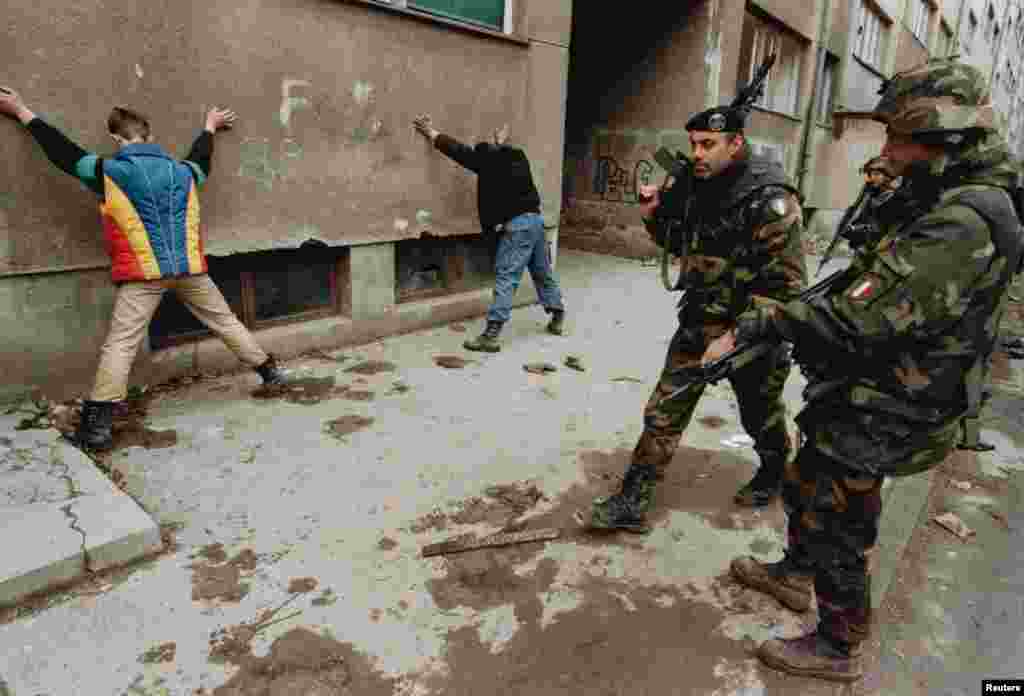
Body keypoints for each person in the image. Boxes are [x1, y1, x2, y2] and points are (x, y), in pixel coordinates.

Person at [709, 58, 1023, 682]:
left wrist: (761, 324)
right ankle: (797, 574)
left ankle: (837, 643)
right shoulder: (947, 194)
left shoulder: (964, 219)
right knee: (809, 481)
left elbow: (863, 318)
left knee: (838, 516)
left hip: (893, 398)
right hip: (878, 382)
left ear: (943, 138)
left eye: (897, 138)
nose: (888, 149)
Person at [0, 88, 290, 451]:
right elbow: (201, 159)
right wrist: (209, 128)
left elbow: (63, 153)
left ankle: (97, 428)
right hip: (189, 269)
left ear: (116, 139)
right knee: (226, 321)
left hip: (143, 275)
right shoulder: (185, 173)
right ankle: (270, 372)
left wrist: (22, 111)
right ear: (150, 136)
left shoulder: (108, 171)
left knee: (121, 343)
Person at [587, 79, 808, 529]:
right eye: (693, 144)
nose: (698, 154)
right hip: (699, 320)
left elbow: (786, 288)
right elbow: (679, 243)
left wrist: (734, 337)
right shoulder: (698, 185)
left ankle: (773, 471)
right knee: (663, 411)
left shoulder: (771, 198)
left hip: (752, 332)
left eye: (708, 144)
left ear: (736, 142)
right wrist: (653, 216)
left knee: (760, 414)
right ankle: (633, 500)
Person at [412, 115, 565, 352]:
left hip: (518, 228)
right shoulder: (518, 158)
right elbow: (496, 152)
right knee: (542, 271)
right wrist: (499, 142)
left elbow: (458, 151)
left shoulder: (487, 163)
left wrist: (432, 133)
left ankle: (491, 334)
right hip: (536, 222)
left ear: (485, 154)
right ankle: (557, 315)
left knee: (506, 276)